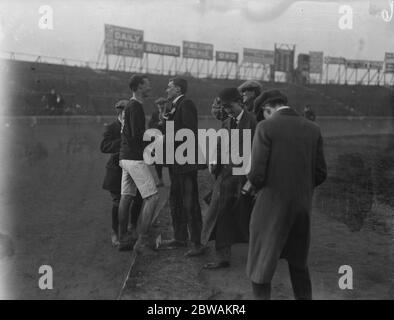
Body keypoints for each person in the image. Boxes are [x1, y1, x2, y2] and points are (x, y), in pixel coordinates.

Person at [246, 89, 327, 300]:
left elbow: (256, 176)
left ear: (267, 108)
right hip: (302, 207)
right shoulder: (313, 128)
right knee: (299, 264)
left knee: (260, 268)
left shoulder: (266, 127)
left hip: (271, 207)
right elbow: (320, 173)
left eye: (263, 113)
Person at [203, 88, 256, 269]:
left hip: (246, 177)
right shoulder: (226, 122)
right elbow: (220, 144)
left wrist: (253, 179)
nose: (226, 110)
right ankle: (222, 256)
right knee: (221, 214)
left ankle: (265, 251)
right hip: (226, 176)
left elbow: (260, 151)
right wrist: (213, 160)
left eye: (229, 106)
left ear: (239, 101)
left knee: (248, 216)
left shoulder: (254, 122)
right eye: (224, 107)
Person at [160, 77, 204, 257]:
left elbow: (188, 132)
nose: (166, 90)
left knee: (189, 202)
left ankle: (197, 243)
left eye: (169, 87)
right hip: (176, 162)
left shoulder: (186, 104)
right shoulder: (174, 106)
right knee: (176, 200)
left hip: (185, 163)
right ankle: (180, 238)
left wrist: (167, 136)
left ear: (178, 89)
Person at [118, 74, 159, 252]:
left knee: (126, 196)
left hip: (125, 157)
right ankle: (141, 241)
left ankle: (123, 239)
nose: (149, 87)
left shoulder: (131, 105)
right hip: (134, 158)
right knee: (152, 197)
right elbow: (137, 135)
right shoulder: (135, 106)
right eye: (147, 85)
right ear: (139, 87)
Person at [100, 100, 143, 247]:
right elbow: (104, 146)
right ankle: (115, 231)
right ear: (120, 112)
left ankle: (132, 226)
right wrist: (123, 142)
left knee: (138, 198)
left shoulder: (135, 125)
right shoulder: (111, 127)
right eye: (127, 112)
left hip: (134, 167)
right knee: (118, 202)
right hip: (116, 171)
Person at [148, 97, 170, 187]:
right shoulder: (155, 114)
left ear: (165, 104)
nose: (161, 106)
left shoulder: (170, 112)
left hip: (168, 140)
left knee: (170, 161)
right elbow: (150, 125)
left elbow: (174, 124)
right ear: (157, 105)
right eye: (159, 104)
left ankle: (173, 180)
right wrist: (158, 124)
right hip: (157, 141)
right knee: (157, 161)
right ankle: (160, 180)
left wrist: (164, 124)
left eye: (163, 104)